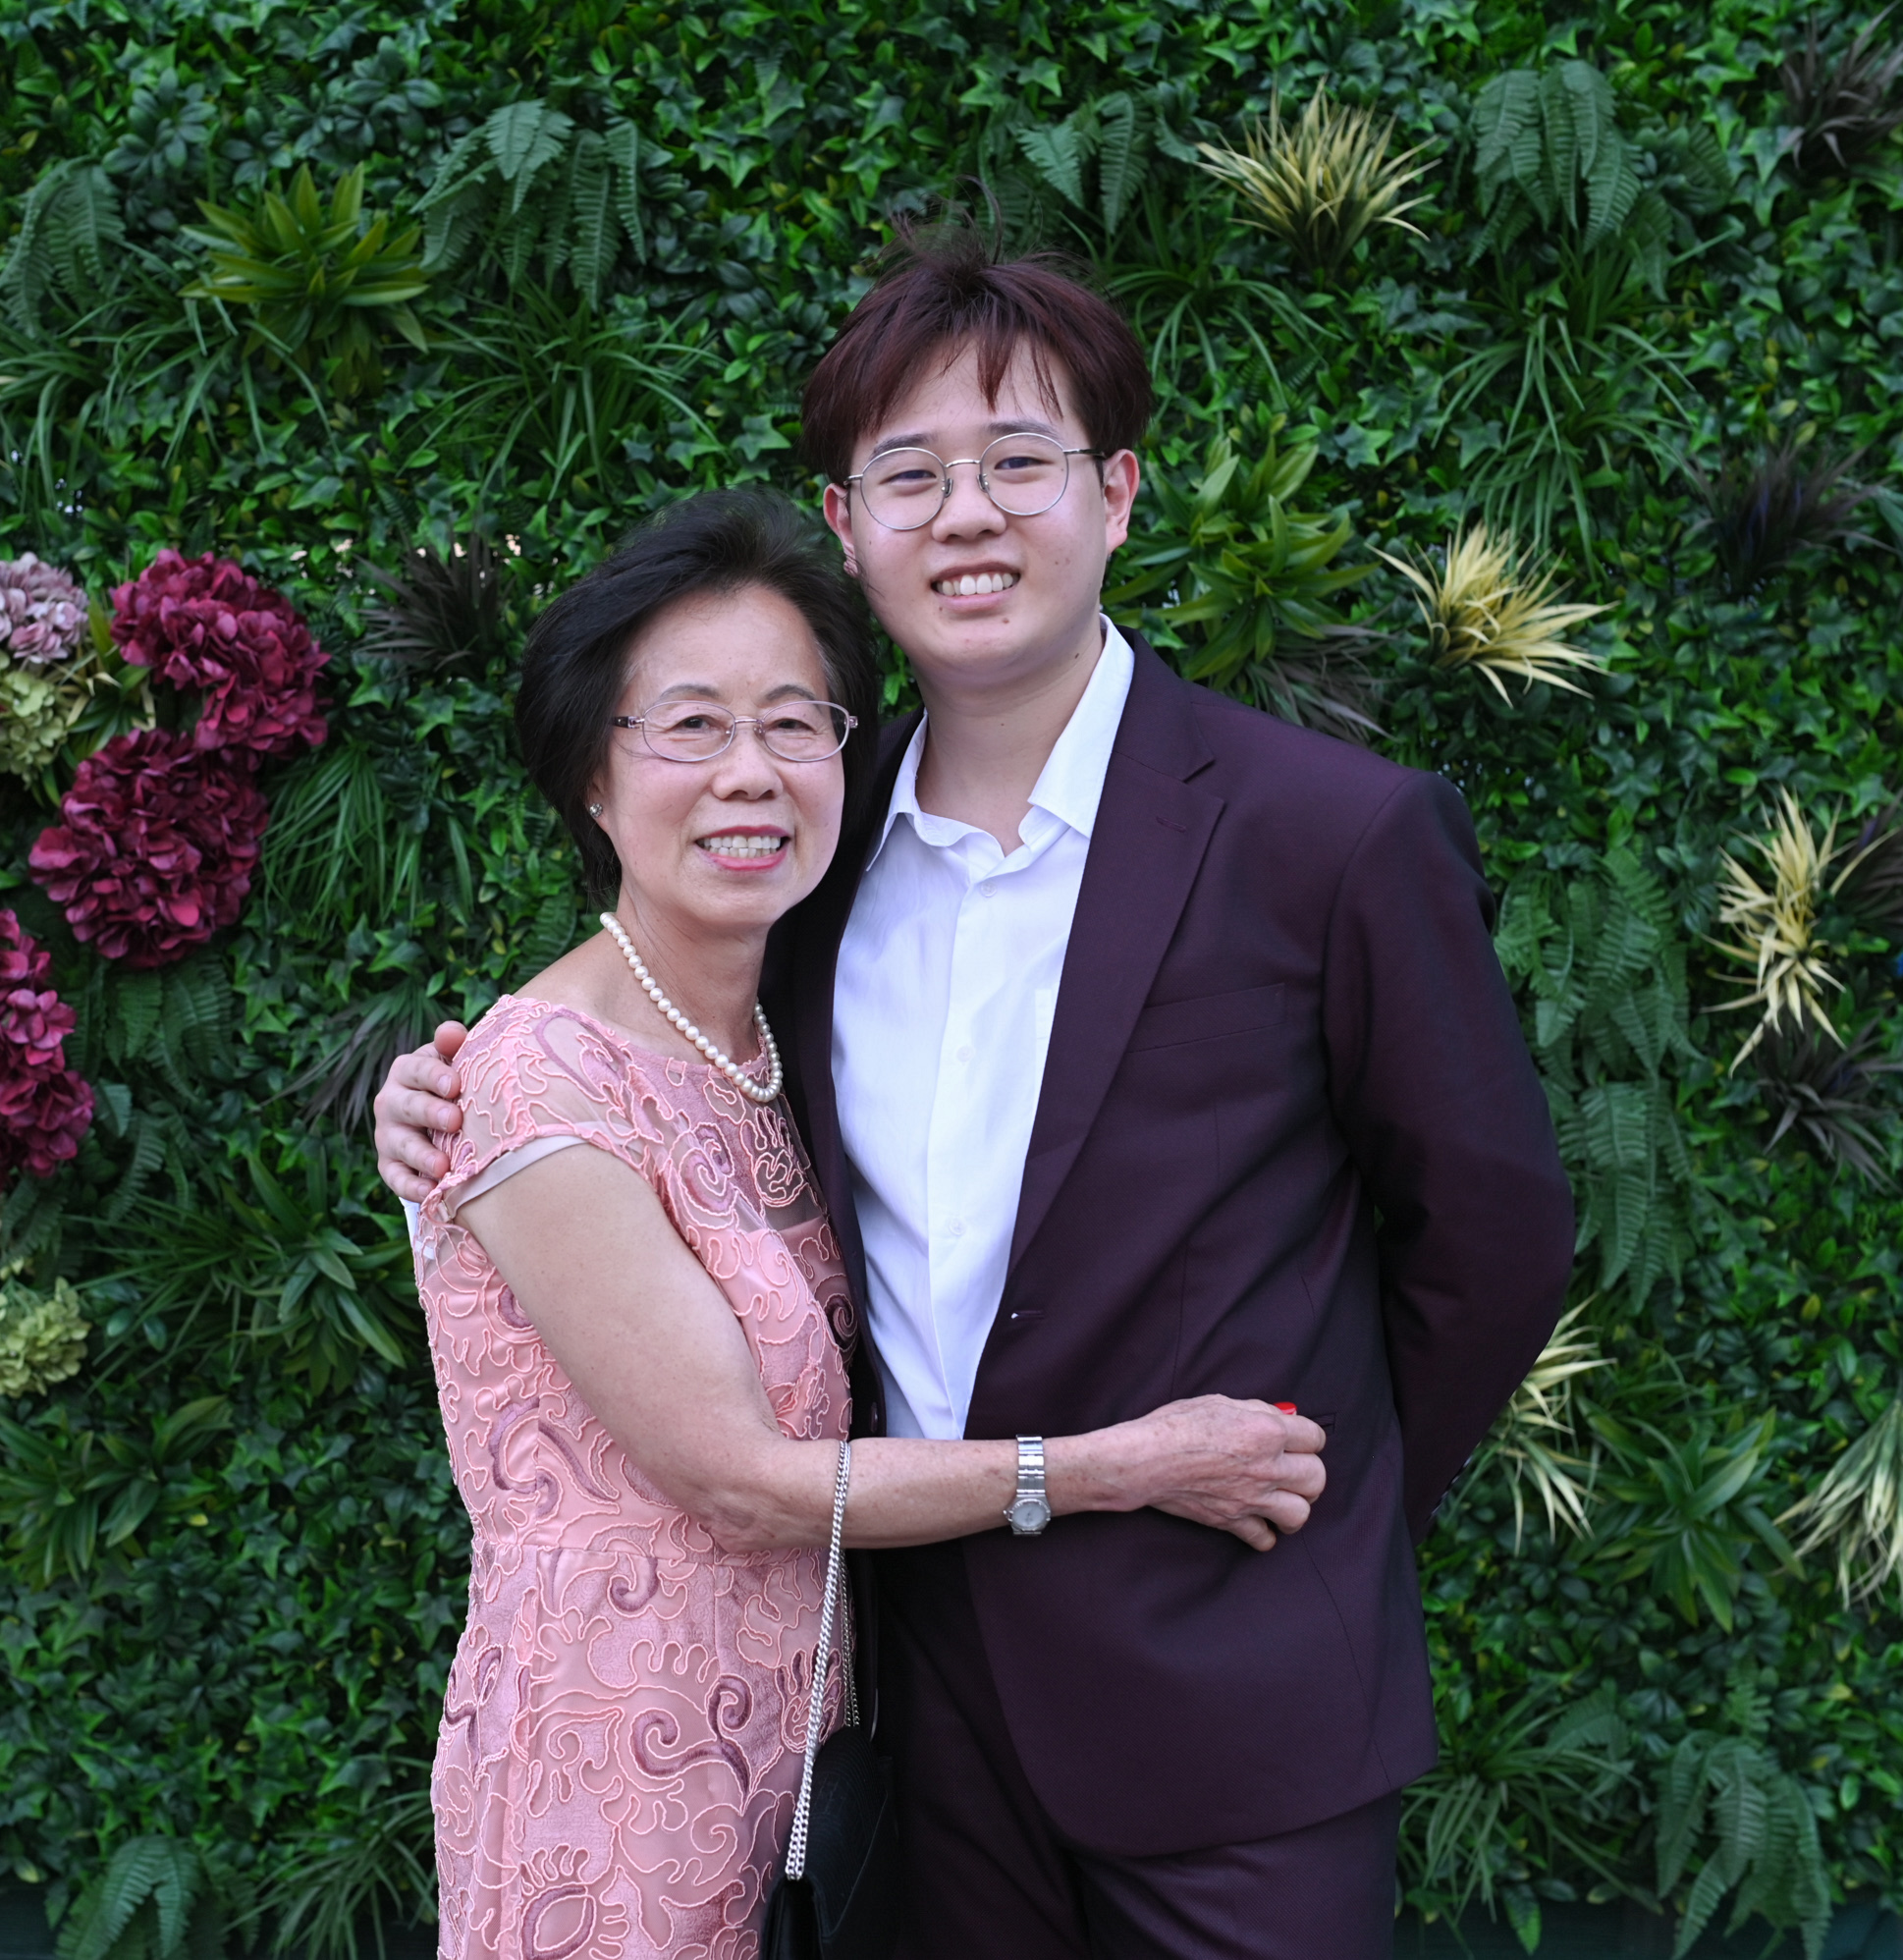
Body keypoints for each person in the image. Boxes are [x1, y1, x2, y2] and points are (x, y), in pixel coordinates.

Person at [380, 236, 1576, 1960]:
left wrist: (1331, 1521)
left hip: (1240, 1696)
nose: (968, 517)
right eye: (911, 474)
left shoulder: (1329, 836)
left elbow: (1495, 1235)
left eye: (1020, 461)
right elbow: (648, 1068)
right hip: (912, 1708)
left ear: (1118, 492)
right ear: (848, 521)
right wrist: (441, 1105)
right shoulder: (805, 828)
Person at [412, 488, 1330, 1960]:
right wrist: (1124, 1467)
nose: (751, 774)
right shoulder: (536, 1077)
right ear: (592, 773)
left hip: (805, 1771)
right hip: (612, 1776)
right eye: (690, 727)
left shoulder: (791, 1036)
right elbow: (742, 1483)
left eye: (796, 724)